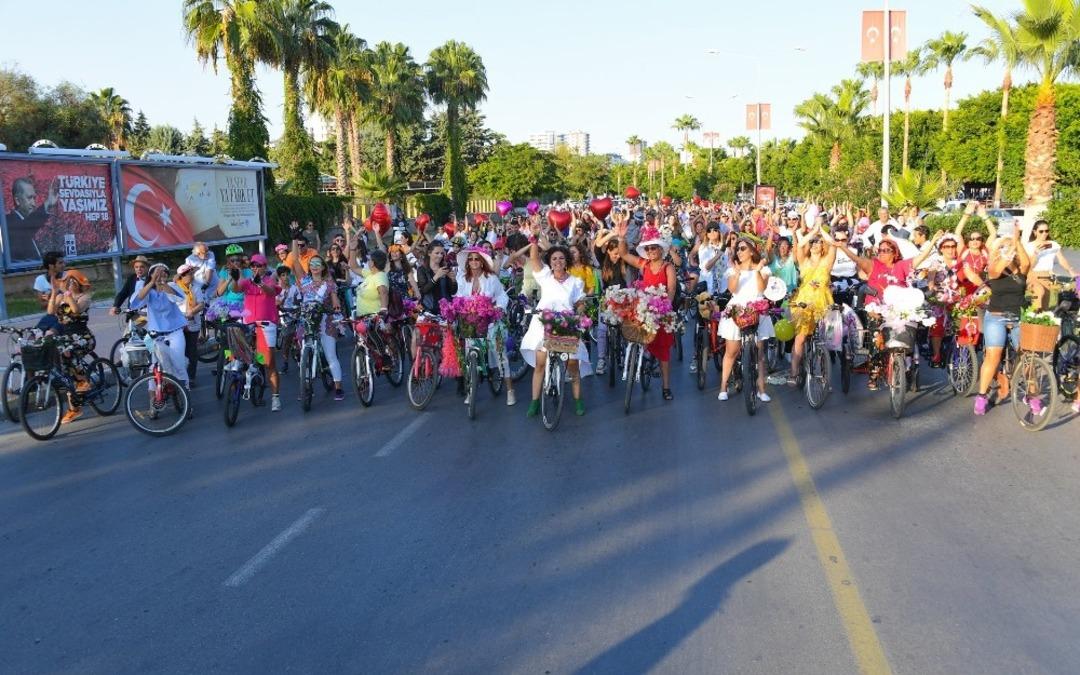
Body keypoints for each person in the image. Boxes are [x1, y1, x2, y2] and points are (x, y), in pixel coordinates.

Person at [520, 230, 589, 417]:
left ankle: (578, 401)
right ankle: (534, 402)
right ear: (550, 262)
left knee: (573, 364)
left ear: (566, 261)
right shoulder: (545, 276)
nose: (558, 262)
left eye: (561, 258)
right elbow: (534, 258)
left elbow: (580, 302)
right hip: (545, 322)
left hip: (566, 323)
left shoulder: (575, 282)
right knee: (540, 362)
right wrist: (534, 237)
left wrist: (579, 313)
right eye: (554, 259)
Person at [616, 219, 677, 400]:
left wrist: (666, 308)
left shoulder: (668, 267)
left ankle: (666, 387)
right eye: (648, 248)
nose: (650, 251)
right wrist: (621, 238)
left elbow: (671, 289)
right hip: (644, 308)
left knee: (664, 351)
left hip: (661, 310)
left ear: (661, 249)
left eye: (654, 248)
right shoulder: (644, 264)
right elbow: (624, 254)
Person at [974, 229, 1031, 416]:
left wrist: (1017, 241)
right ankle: (982, 396)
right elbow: (998, 269)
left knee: (1028, 356)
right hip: (997, 317)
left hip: (1018, 316)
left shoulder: (1021, 269)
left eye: (1011, 247)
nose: (1010, 249)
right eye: (1004, 247)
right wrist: (1009, 246)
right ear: (999, 250)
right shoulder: (993, 267)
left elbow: (1027, 262)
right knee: (994, 355)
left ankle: (1032, 394)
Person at [454, 245, 515, 406]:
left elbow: (502, 296)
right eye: (471, 259)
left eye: (477, 259)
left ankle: (510, 390)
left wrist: (499, 308)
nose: (474, 262)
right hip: (470, 324)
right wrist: (455, 308)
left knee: (500, 356)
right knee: (468, 359)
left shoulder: (491, 278)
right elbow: (459, 297)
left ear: (482, 262)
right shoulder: (463, 279)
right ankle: (470, 390)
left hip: (491, 322)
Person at [717, 237, 774, 402]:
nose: (739, 252)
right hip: (737, 310)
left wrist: (757, 271)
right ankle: (723, 386)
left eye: (742, 248)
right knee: (731, 352)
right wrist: (736, 273)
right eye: (737, 249)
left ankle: (761, 389)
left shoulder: (763, 269)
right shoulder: (732, 269)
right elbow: (733, 289)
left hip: (757, 309)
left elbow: (762, 288)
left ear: (751, 250)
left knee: (760, 353)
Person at [130, 263, 191, 413]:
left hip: (175, 332)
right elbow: (135, 303)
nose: (160, 275)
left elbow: (179, 299)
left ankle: (187, 401)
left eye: (164, 273)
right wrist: (152, 282)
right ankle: (153, 403)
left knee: (179, 366)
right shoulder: (147, 290)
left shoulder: (170, 286)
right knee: (153, 369)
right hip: (156, 335)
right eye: (157, 273)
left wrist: (163, 283)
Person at [289, 242, 345, 400]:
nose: (314, 266)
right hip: (307, 321)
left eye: (317, 264)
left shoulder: (329, 284)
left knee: (330, 355)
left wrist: (335, 305)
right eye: (311, 264)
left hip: (325, 321)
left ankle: (338, 387)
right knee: (303, 356)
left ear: (322, 267)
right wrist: (294, 240)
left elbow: (335, 300)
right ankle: (306, 388)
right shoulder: (304, 281)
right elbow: (294, 261)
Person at [788, 227, 837, 384]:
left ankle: (824, 373)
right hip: (804, 302)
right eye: (813, 242)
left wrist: (822, 231)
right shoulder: (804, 260)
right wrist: (814, 230)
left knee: (824, 339)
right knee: (800, 338)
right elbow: (801, 245)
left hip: (823, 303)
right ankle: (794, 373)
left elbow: (833, 244)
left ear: (823, 245)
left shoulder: (827, 261)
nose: (815, 244)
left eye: (818, 242)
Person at [235, 254, 283, 410]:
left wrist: (260, 283)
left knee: (269, 362)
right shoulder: (247, 282)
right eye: (253, 266)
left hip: (266, 324)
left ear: (264, 267)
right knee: (235, 352)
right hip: (248, 324)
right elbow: (236, 288)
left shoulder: (269, 279)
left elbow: (271, 292)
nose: (255, 268)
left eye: (258, 265)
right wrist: (234, 278)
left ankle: (275, 397)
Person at [1025, 219, 1076, 310]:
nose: (1044, 233)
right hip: (1033, 275)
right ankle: (1033, 315)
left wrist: (1070, 270)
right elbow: (1027, 265)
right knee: (1038, 293)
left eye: (1046, 231)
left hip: (1047, 276)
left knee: (1045, 305)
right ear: (1035, 232)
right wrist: (1036, 253)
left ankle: (1038, 319)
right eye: (1041, 231)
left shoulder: (1053, 245)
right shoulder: (1029, 246)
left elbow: (1061, 259)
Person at [5, 176, 57, 262]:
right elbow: (25, 227)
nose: (33, 203)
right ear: (17, 200)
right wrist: (47, 203)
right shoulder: (9, 222)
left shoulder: (26, 224)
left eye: (34, 198)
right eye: (29, 198)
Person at [173, 264, 207, 387]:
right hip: (178, 324)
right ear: (182, 276)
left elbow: (201, 304)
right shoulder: (175, 288)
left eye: (192, 273)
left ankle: (191, 377)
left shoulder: (196, 287)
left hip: (193, 323)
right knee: (179, 350)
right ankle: (180, 376)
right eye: (189, 274)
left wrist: (192, 311)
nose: (191, 276)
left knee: (192, 351)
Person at [33, 251, 65, 332]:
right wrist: (53, 297)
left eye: (63, 262)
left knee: (50, 333)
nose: (63, 265)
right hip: (51, 315)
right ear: (51, 266)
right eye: (60, 263)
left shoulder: (67, 277)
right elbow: (42, 305)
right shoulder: (40, 280)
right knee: (36, 333)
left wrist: (52, 296)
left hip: (66, 315)